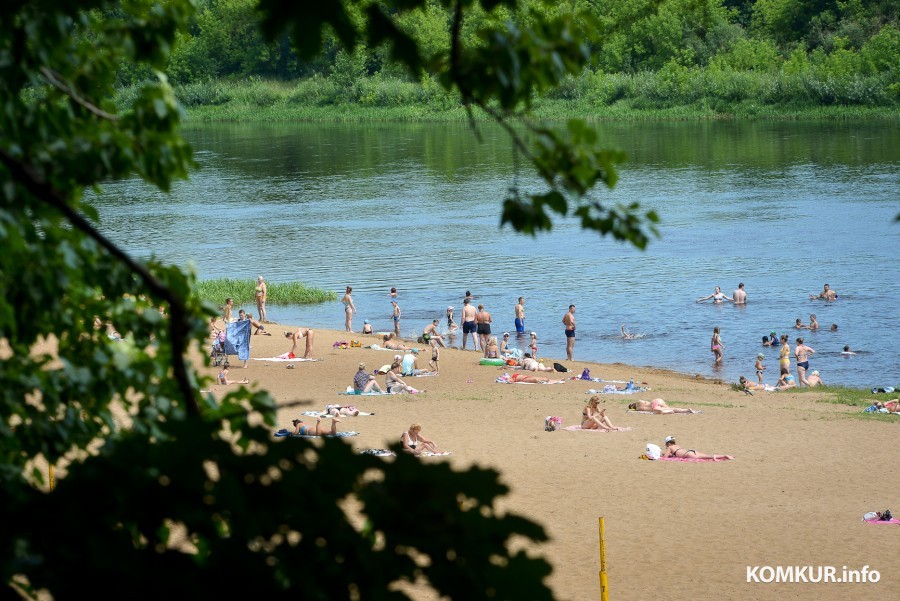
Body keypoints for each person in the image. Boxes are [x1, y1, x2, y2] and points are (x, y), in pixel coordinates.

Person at [663, 435, 733, 461]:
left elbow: (665, 457)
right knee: (708, 456)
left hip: (688, 455)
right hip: (691, 451)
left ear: (668, 443)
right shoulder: (678, 446)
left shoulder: (670, 447)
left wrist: (663, 455)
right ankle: (725, 455)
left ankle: (725, 456)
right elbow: (677, 453)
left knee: (707, 457)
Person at [627, 399, 700, 414]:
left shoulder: (638, 408)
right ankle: (687, 410)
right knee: (672, 408)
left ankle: (687, 410)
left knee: (670, 410)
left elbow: (634, 410)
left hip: (654, 407)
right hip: (657, 400)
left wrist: (633, 409)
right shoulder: (639, 401)